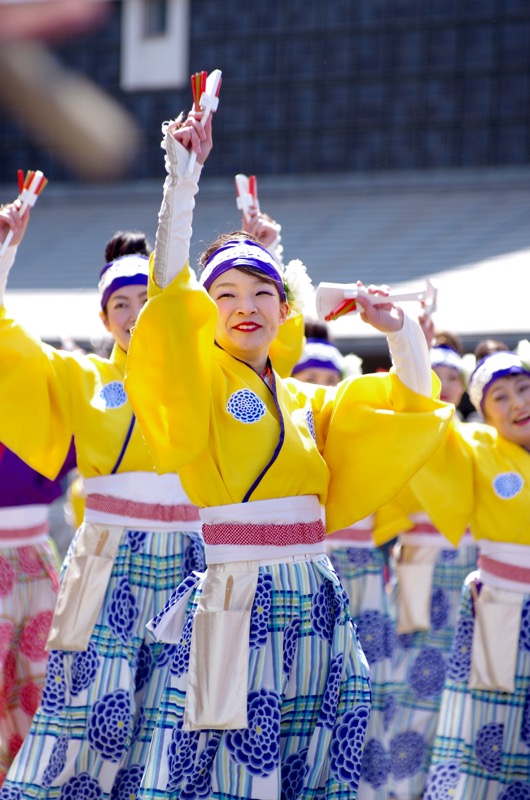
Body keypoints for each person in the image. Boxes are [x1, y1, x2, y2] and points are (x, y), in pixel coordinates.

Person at [123, 107, 452, 799]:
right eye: (226, 295)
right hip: (237, 597)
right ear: (203, 311)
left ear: (284, 308)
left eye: (262, 293)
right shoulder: (199, 383)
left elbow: (404, 408)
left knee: (316, 760)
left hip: (318, 597)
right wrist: (180, 186)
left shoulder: (307, 401)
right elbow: (168, 297)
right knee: (217, 766)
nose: (246, 305)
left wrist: (401, 335)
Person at [0, 201, 206, 799]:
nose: (136, 315)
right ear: (104, 315)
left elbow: (271, 352)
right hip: (106, 561)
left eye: (147, 302)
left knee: (177, 714)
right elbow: (9, 348)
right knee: (90, 711)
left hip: (189, 562)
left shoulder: (203, 377)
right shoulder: (82, 377)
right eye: (122, 304)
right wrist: (5, 255)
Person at [403, 344, 530, 799]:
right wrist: (412, 343)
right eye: (500, 397)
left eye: (523, 388)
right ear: (483, 411)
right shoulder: (478, 447)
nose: (517, 402)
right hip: (501, 601)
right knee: (491, 727)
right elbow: (427, 429)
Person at [370, 340, 478, 800]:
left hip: (470, 565)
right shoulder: (405, 434)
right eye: (436, 374)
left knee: (466, 678)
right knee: (414, 676)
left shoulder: (480, 437)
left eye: (454, 377)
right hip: (420, 563)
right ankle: (400, 783)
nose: (446, 385)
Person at [291, 327, 395, 800]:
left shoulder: (355, 431)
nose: (318, 386)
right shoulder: (287, 437)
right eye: (307, 376)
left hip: (363, 569)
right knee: (311, 682)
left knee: (367, 676)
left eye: (327, 377)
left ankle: (368, 782)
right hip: (310, 565)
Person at [0, 442, 75, 785]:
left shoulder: (39, 388)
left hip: (37, 551)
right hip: (32, 549)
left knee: (42, 684)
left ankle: (26, 785)